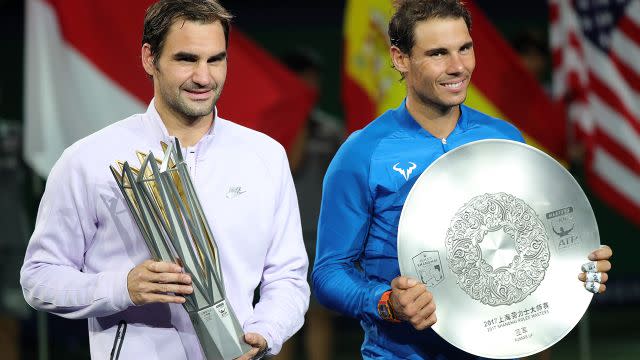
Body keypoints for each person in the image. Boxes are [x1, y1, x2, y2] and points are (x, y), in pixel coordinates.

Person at [312, 1, 613, 359]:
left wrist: (577, 267)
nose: (458, 67)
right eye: (438, 53)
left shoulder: (504, 139)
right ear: (400, 58)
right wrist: (385, 302)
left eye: (464, 48)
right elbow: (329, 273)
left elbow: (530, 243)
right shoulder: (362, 153)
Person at [20, 1, 309, 359]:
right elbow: (39, 278)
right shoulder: (88, 159)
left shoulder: (265, 156)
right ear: (149, 59)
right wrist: (122, 287)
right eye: (186, 59)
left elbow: (288, 278)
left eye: (215, 59)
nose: (204, 77)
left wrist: (264, 332)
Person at [277, 48, 344, 360]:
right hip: (282, 236)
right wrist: (297, 118)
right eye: (304, 77)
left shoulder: (330, 130)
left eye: (314, 78)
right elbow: (291, 164)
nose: (311, 84)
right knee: (283, 318)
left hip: (322, 236)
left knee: (320, 314)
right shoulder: (272, 127)